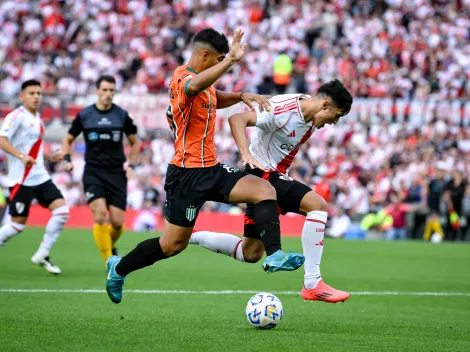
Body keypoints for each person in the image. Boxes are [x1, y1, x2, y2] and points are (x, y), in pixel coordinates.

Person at [105, 28, 305, 304]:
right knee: (172, 245)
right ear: (205, 55)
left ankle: (275, 255)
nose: (222, 64)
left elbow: (212, 95)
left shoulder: (205, 83)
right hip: (185, 176)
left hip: (211, 169)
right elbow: (195, 87)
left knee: (263, 189)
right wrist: (231, 60)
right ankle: (119, 268)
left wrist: (241, 95)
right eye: (219, 59)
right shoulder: (181, 78)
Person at [190, 79, 353, 303]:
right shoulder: (282, 111)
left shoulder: (310, 115)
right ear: (325, 105)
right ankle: (313, 283)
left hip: (270, 177)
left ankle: (189, 237)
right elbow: (237, 118)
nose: (333, 123)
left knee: (251, 253)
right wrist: (245, 154)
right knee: (318, 206)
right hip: (262, 175)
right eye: (336, 116)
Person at [62, 75, 140, 264]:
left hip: (116, 174)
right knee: (99, 215)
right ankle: (110, 261)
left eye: (111, 90)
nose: (108, 94)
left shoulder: (122, 115)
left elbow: (135, 143)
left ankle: (107, 244)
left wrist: (131, 165)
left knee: (117, 223)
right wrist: (67, 159)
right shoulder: (85, 115)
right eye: (104, 90)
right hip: (93, 172)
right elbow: (68, 139)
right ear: (97, 91)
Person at [0, 80, 69, 274]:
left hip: (40, 176)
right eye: (32, 93)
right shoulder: (16, 116)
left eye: (39, 93)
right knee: (16, 226)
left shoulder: (38, 119)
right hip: (21, 179)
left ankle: (42, 254)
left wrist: (49, 157)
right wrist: (21, 157)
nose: (36, 96)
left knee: (62, 212)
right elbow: (1, 139)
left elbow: (34, 152)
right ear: (22, 96)